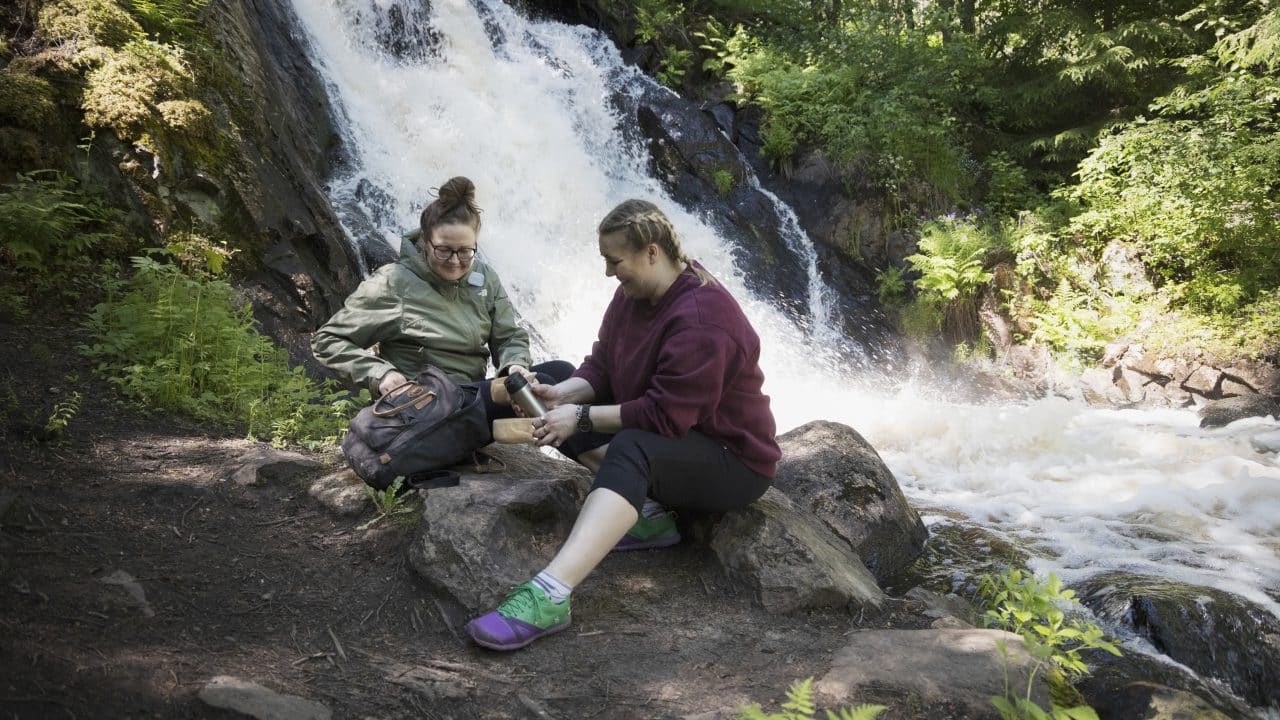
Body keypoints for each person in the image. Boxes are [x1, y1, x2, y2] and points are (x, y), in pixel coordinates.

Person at [465, 199, 780, 651]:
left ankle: (550, 595)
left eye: (614, 261)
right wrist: (561, 396)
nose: (609, 273)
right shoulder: (634, 295)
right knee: (554, 376)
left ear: (651, 252)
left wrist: (581, 417)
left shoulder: (703, 319)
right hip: (675, 436)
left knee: (633, 445)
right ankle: (649, 517)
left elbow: (665, 416)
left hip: (732, 462)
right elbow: (603, 367)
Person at [311, 176, 573, 434]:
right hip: (423, 406)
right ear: (425, 240)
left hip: (472, 396)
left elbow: (508, 337)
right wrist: (380, 374)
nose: (455, 261)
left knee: (565, 375)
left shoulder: (485, 278)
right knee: (548, 386)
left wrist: (515, 365)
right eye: (444, 250)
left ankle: (600, 467)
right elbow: (327, 340)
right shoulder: (394, 283)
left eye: (465, 251)